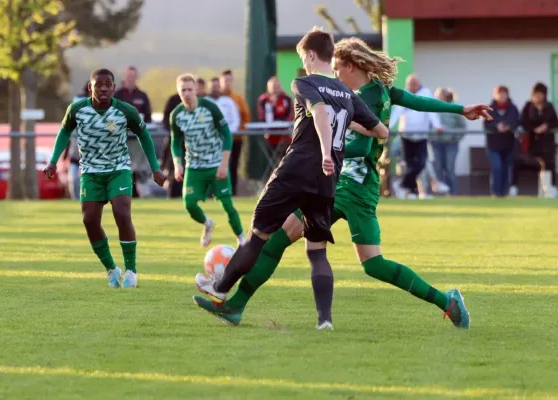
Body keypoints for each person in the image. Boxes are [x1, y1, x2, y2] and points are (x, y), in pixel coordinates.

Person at [193, 37, 492, 330]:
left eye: (337, 69)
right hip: (351, 184)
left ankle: (236, 305)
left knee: (288, 245)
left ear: (350, 66)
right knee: (360, 261)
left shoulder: (361, 97)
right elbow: (417, 102)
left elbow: (361, 147)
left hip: (350, 184)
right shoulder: (382, 90)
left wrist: (316, 153)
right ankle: (447, 302)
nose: (334, 76)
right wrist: (460, 109)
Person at [193, 28, 388, 330]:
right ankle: (324, 321)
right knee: (316, 249)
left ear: (310, 55)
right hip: (327, 181)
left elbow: (320, 111)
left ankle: (219, 287)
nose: (303, 63)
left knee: (258, 234)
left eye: (302, 58)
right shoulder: (347, 94)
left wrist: (325, 149)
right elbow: (381, 131)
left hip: (297, 170)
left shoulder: (305, 83)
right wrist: (345, 125)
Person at [44, 69, 165, 288]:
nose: (103, 88)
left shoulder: (126, 111)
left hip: (118, 169)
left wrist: (155, 168)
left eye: (108, 84)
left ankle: (131, 270)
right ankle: (111, 268)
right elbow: (64, 132)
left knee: (121, 212)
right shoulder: (77, 110)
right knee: (89, 220)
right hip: (90, 172)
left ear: (113, 87)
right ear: (90, 87)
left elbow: (144, 136)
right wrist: (53, 160)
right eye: (98, 84)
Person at [170, 73, 246, 248]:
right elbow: (175, 142)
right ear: (178, 92)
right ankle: (207, 223)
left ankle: (241, 238)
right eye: (183, 90)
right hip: (194, 166)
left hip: (216, 163)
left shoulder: (210, 108)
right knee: (189, 204)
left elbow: (226, 134)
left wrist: (224, 163)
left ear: (196, 89)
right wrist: (177, 164)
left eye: (190, 89)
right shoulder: (177, 115)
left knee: (226, 203)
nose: (187, 93)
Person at [390, 75, 443, 199]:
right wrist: (390, 126)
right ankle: (412, 192)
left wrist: (437, 125)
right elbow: (397, 111)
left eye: (415, 84)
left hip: (422, 135)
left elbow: (431, 109)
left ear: (418, 84)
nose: (412, 87)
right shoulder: (403, 94)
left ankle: (401, 184)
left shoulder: (426, 93)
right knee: (409, 164)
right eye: (410, 84)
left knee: (421, 163)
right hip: (406, 135)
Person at [114, 66, 154, 198]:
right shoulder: (117, 95)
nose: (131, 79)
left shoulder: (142, 96)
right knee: (123, 170)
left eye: (133, 76)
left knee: (139, 170)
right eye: (128, 76)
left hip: (137, 141)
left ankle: (140, 195)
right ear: (125, 77)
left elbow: (148, 117)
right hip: (121, 140)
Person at [513, 82, 558, 197]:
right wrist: (533, 129)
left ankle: (549, 189)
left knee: (549, 164)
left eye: (541, 94)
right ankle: (514, 187)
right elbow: (523, 121)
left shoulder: (549, 107)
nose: (539, 97)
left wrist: (546, 126)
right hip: (531, 142)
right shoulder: (528, 106)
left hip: (547, 142)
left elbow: (555, 121)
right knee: (519, 162)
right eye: (536, 94)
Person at [484, 85, 520, 197]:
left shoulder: (513, 108)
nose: (501, 96)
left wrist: (508, 127)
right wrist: (496, 126)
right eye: (499, 94)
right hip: (493, 145)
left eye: (504, 94)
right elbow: (486, 124)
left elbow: (516, 121)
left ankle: (504, 193)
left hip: (508, 145)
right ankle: (496, 192)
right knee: (497, 167)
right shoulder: (489, 109)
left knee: (506, 168)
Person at [220, 69, 250, 195]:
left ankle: (232, 192)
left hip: (236, 139)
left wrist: (239, 129)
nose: (227, 83)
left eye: (229, 80)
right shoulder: (217, 99)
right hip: (219, 140)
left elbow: (245, 115)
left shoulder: (238, 98)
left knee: (233, 166)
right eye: (225, 80)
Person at [431, 88, 466, 195]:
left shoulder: (455, 108)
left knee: (450, 168)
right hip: (436, 143)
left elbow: (462, 127)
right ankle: (439, 193)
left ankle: (452, 193)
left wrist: (454, 137)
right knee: (438, 168)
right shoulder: (432, 108)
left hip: (451, 144)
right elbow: (428, 123)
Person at [257, 76, 294, 163]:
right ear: (268, 88)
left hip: (284, 135)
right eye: (273, 87)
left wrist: (284, 124)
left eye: (277, 87)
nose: (275, 89)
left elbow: (291, 114)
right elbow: (261, 115)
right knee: (272, 160)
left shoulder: (287, 98)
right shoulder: (263, 100)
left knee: (285, 159)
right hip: (270, 135)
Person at [63, 82, 90, 200]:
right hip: (76, 154)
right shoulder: (73, 128)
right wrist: (64, 156)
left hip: (90, 154)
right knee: (73, 178)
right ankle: (75, 199)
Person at [162, 92, 183, 198]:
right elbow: (166, 119)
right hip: (176, 143)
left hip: (190, 146)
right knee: (173, 171)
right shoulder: (174, 105)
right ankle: (172, 194)